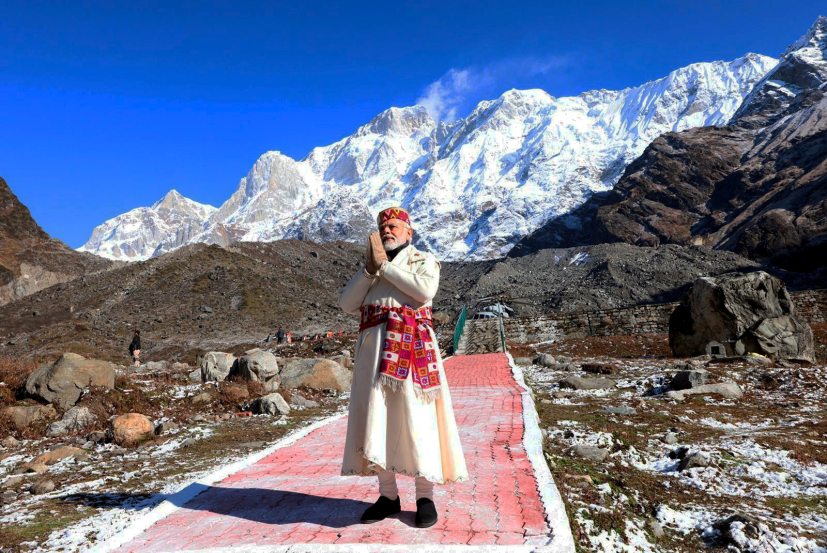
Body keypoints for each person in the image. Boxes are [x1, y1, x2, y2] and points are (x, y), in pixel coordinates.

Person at [338, 206, 467, 528]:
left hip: (413, 351)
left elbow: (423, 291)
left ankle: (425, 496)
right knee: (378, 418)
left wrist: (384, 267)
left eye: (394, 227)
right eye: (383, 229)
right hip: (373, 357)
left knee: (417, 417)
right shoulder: (372, 271)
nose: (387, 232)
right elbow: (346, 304)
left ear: (409, 232)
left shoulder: (422, 261)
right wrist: (370, 270)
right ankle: (388, 495)